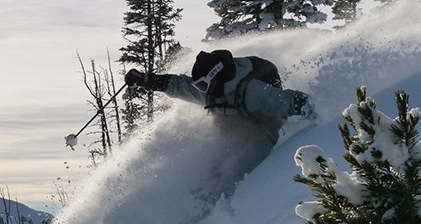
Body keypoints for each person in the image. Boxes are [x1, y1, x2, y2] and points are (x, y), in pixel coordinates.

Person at [124, 49, 313, 145]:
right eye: (199, 85)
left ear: (218, 76)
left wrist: (318, 115)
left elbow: (289, 101)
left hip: (264, 139)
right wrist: (145, 80)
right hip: (235, 142)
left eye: (204, 84)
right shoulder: (210, 91)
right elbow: (177, 85)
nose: (202, 90)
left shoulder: (253, 92)